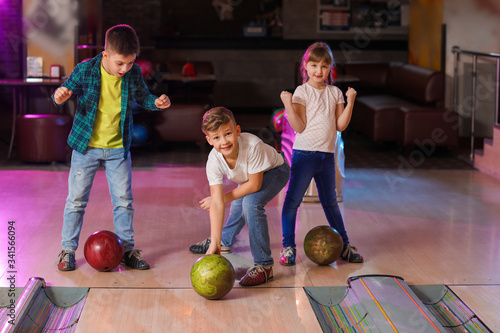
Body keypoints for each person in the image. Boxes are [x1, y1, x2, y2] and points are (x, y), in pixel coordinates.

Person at [53, 24, 171, 271]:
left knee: (124, 201)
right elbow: (61, 93)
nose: (125, 69)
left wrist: (157, 102)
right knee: (76, 200)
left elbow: (144, 98)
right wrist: (60, 96)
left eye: (130, 63)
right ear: (106, 54)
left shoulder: (133, 73)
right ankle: (67, 251)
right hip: (86, 148)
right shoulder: (85, 70)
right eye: (120, 63)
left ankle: (127, 250)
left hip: (118, 148)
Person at [279, 41, 363, 266]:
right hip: (304, 156)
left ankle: (344, 246)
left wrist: (351, 100)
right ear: (305, 66)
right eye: (314, 65)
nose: (319, 71)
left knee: (331, 203)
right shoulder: (301, 92)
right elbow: (298, 127)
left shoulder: (335, 92)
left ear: (330, 69)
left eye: (324, 66)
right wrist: (288, 104)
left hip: (326, 157)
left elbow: (340, 125)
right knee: (292, 201)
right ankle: (288, 248)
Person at [189, 107, 290, 286]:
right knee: (238, 205)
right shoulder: (213, 161)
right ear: (209, 140)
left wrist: (219, 198)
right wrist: (215, 244)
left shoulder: (253, 146)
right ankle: (223, 241)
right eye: (217, 137)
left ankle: (264, 266)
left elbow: (254, 185)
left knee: (250, 204)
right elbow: (218, 205)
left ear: (237, 131)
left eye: (228, 134)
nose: (224, 141)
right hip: (250, 178)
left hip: (275, 170)